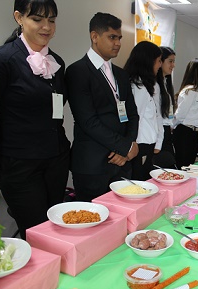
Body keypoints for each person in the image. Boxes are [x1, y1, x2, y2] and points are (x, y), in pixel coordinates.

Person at [0, 0, 70, 239]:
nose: (46, 27)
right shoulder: (2, 60)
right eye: (37, 19)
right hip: (20, 165)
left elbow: (57, 106)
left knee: (56, 226)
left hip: (56, 160)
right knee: (36, 232)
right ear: (19, 18)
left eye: (52, 20)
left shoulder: (56, 62)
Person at [66, 12, 139, 202]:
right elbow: (88, 121)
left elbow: (132, 114)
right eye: (112, 37)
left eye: (119, 38)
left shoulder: (121, 75)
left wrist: (128, 147)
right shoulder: (78, 72)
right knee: (94, 224)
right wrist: (125, 146)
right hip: (93, 165)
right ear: (95, 36)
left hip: (122, 164)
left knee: (122, 219)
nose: (118, 43)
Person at [124, 41, 163, 180]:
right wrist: (131, 145)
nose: (160, 65)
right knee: (139, 182)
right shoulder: (137, 87)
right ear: (148, 61)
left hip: (147, 144)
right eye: (158, 61)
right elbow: (135, 119)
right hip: (139, 145)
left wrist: (158, 141)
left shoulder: (148, 85)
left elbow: (157, 117)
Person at [173, 58, 198, 168]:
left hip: (193, 133)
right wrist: (172, 127)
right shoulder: (190, 91)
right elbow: (180, 114)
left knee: (190, 165)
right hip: (184, 132)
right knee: (183, 166)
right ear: (196, 73)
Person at [153, 46, 177, 169]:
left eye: (174, 61)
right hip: (158, 133)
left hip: (167, 131)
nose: (173, 65)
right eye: (170, 61)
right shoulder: (154, 84)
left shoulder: (166, 83)